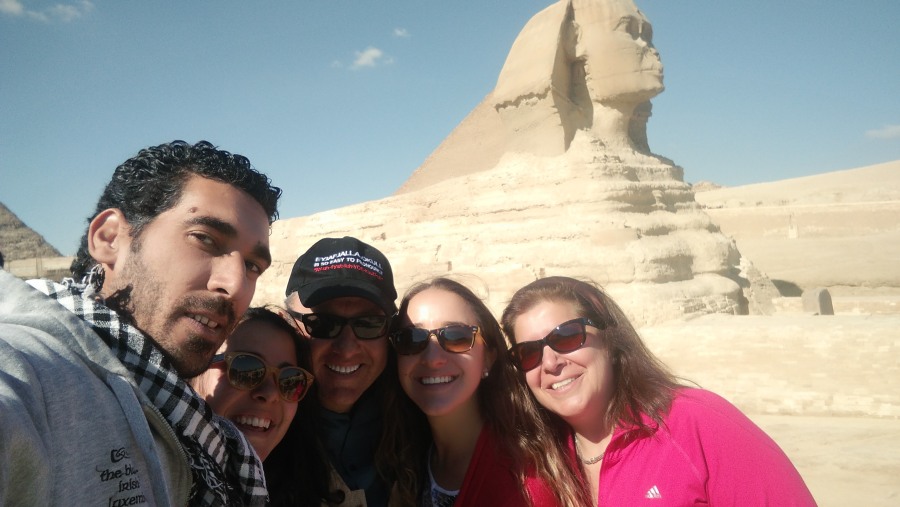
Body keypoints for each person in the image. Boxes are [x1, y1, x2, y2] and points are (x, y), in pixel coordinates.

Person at [0, 140, 280, 507]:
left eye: (253, 266)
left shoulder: (202, 430)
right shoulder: (32, 372)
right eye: (205, 239)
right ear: (110, 238)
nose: (235, 284)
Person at [501, 276, 818, 506]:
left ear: (611, 340)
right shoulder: (540, 460)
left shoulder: (697, 423)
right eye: (527, 353)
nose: (550, 362)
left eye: (567, 336)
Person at [382, 277, 584, 507]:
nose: (432, 358)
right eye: (411, 339)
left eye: (457, 336)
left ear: (488, 357)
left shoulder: (527, 477)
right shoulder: (403, 461)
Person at [284, 236, 398, 506]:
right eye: (322, 324)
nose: (346, 349)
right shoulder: (256, 420)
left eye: (369, 324)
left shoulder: (418, 412)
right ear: (287, 323)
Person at [192, 305, 334, 506]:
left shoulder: (300, 491)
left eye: (290, 380)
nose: (270, 393)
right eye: (245, 368)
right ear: (193, 372)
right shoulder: (151, 483)